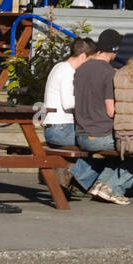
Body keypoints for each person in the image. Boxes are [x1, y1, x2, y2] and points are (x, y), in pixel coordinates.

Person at [72, 33, 133, 204]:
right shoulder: (108, 73)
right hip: (100, 134)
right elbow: (110, 111)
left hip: (81, 133)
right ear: (114, 50)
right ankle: (110, 186)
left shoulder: (81, 68)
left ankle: (81, 178)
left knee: (117, 153)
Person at [41, 36, 96, 197]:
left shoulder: (59, 67)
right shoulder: (68, 71)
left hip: (56, 127)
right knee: (99, 141)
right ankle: (78, 177)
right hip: (62, 128)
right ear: (83, 56)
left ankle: (78, 180)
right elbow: (69, 103)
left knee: (95, 141)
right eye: (90, 61)